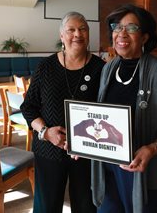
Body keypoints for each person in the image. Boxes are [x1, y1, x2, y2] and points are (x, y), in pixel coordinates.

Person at [91, 4, 157, 213]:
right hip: (108, 168)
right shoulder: (109, 68)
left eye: (131, 28)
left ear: (145, 37)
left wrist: (153, 148)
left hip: (144, 170)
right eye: (117, 27)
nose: (122, 34)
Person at [21, 11, 105, 213]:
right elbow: (28, 106)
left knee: (86, 206)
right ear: (61, 36)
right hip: (49, 150)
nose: (78, 34)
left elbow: (107, 111)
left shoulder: (101, 69)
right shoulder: (46, 66)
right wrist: (45, 132)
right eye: (71, 30)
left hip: (87, 154)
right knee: (47, 207)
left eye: (83, 29)